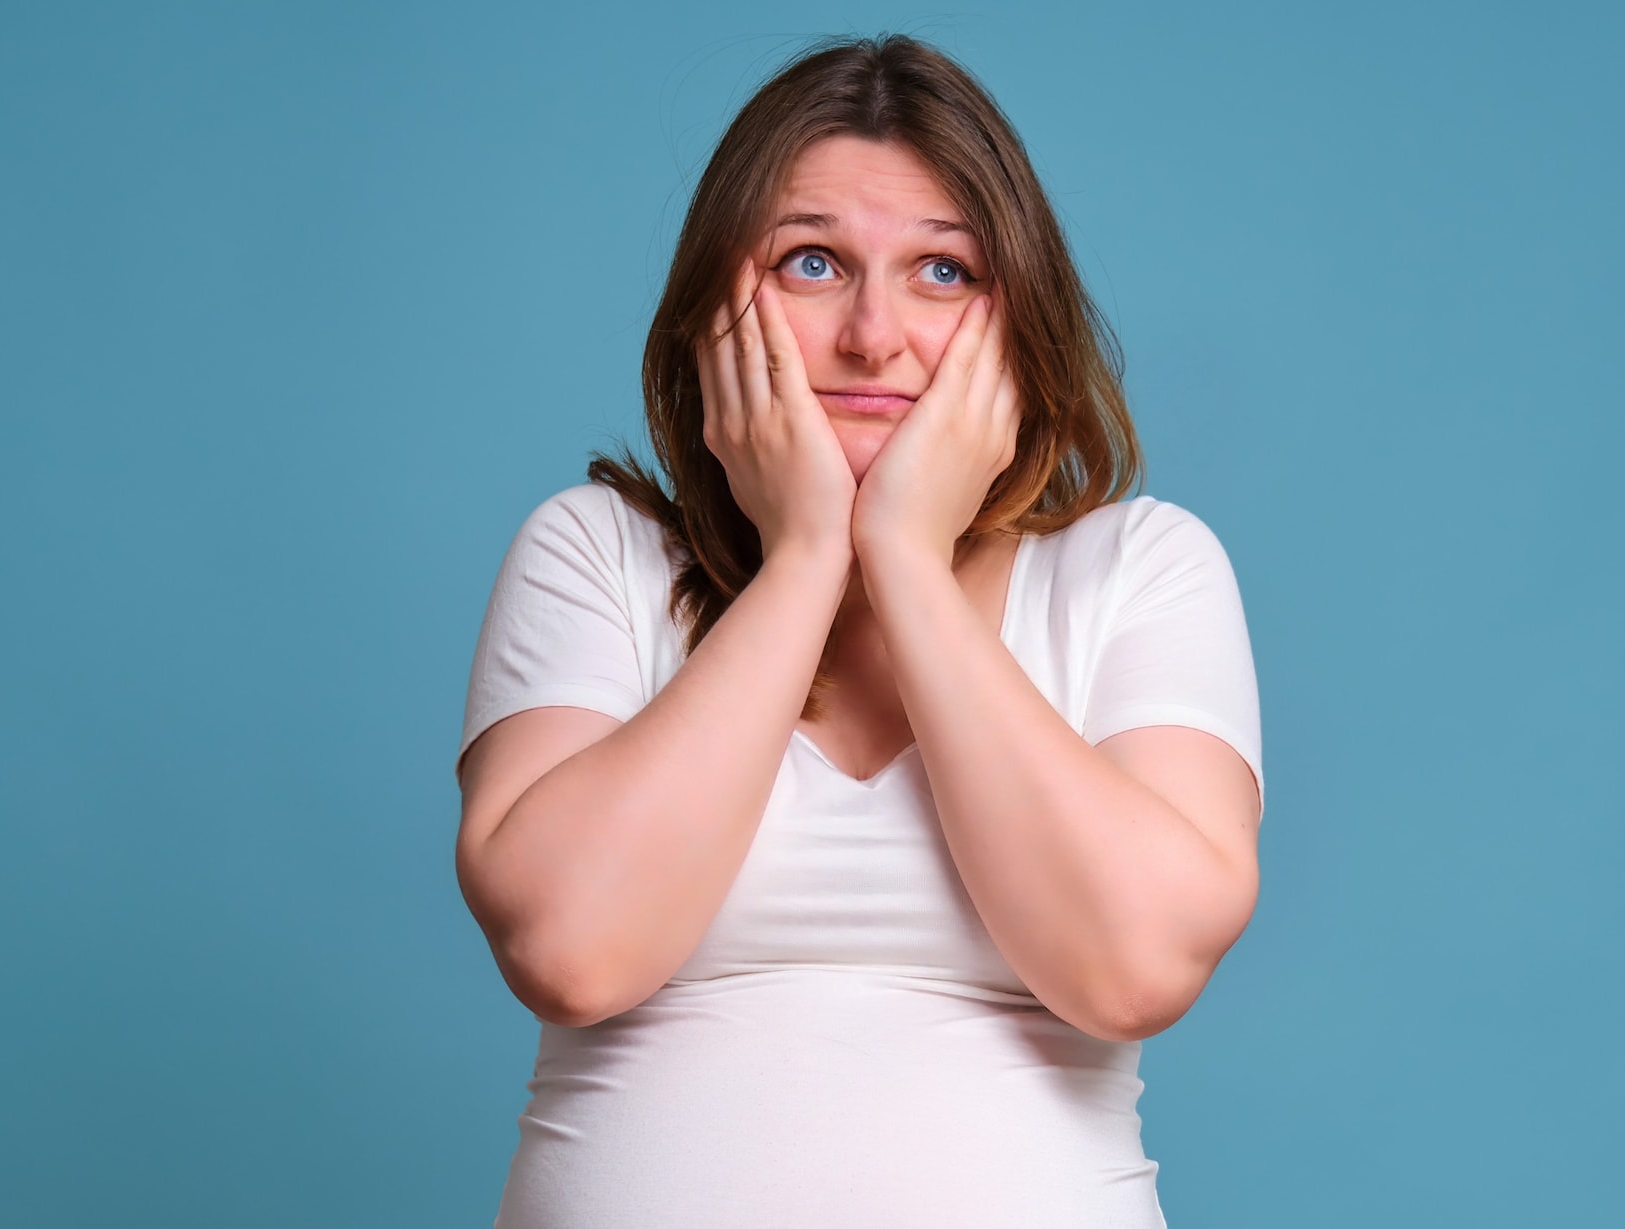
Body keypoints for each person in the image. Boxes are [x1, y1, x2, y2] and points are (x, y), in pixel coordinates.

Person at [453, 33, 1264, 1228]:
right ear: (715, 309)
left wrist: (904, 561)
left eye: (941, 271)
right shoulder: (596, 555)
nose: (872, 334)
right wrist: (803, 558)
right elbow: (570, 949)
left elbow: (1134, 967)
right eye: (812, 262)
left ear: (1017, 319)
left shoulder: (1137, 572)